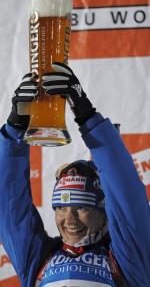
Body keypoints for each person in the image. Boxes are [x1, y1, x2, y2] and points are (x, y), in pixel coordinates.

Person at [0, 63, 150, 287]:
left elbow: (126, 194)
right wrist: (15, 125)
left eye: (82, 208)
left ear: (104, 210)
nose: (69, 219)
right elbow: (9, 202)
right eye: (61, 208)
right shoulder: (39, 259)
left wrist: (85, 113)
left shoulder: (128, 259)